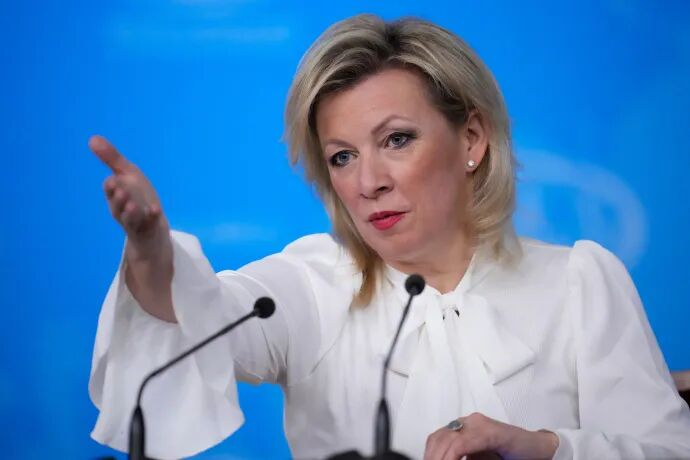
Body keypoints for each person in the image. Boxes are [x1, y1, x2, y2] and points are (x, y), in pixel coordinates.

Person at [88, 14, 690, 460]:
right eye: (342, 156)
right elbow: (199, 316)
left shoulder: (578, 280)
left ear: (472, 139)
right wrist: (150, 249)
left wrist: (542, 447)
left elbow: (666, 450)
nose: (368, 182)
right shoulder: (309, 284)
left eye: (396, 140)